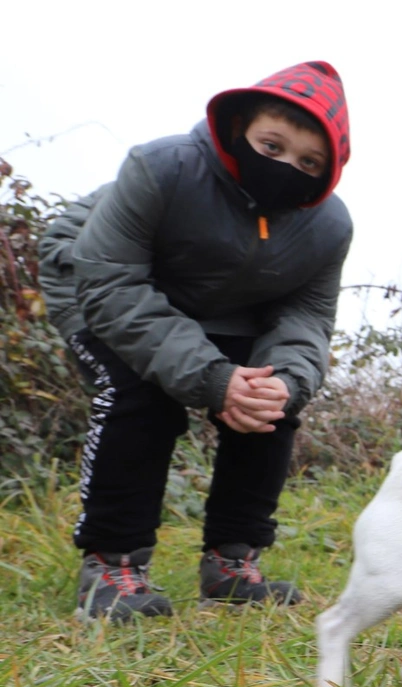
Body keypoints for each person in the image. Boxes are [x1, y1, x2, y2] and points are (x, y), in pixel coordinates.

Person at [38, 61, 354, 621]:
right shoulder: (161, 167)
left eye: (309, 162)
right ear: (238, 130)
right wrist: (211, 377)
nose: (286, 167)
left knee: (267, 400)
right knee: (142, 396)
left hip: (217, 307)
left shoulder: (328, 227)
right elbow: (111, 282)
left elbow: (304, 318)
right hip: (94, 282)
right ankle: (112, 564)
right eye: (271, 146)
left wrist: (283, 381)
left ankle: (232, 562)